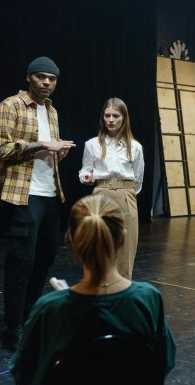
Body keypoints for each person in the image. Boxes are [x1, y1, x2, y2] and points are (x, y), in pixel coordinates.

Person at [9, 195, 176, 385]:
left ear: (72, 241)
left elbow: (24, 377)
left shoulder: (49, 309)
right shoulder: (149, 300)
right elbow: (163, 363)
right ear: (123, 237)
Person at [0, 56, 76, 351]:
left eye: (52, 79)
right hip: (24, 195)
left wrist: (58, 151)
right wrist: (41, 144)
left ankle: (28, 317)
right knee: (20, 263)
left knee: (45, 259)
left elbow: (48, 152)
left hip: (51, 194)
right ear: (29, 77)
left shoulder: (52, 111)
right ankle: (12, 328)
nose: (47, 83)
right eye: (41, 77)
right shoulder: (11, 105)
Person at [78, 98, 144, 279]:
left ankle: (122, 288)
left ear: (124, 118)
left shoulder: (135, 147)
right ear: (102, 118)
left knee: (126, 246)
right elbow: (85, 170)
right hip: (101, 192)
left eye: (116, 116)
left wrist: (126, 193)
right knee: (99, 244)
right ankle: (98, 287)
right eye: (107, 116)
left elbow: (138, 179)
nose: (111, 120)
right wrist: (86, 177)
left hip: (126, 194)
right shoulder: (92, 144)